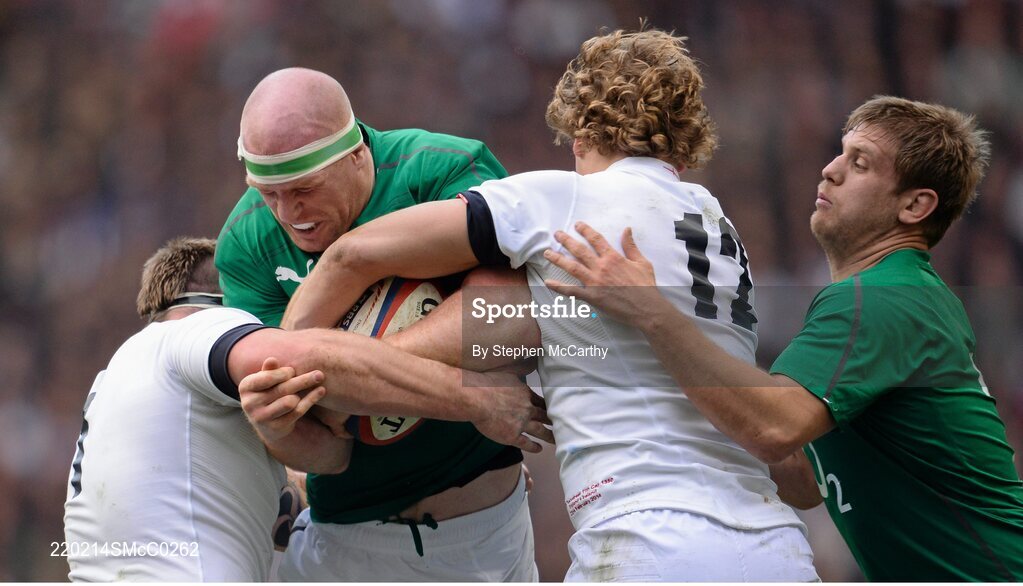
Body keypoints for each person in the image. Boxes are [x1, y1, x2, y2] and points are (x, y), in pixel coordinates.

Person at [283, 29, 820, 582]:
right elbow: (598, 333)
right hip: (775, 545)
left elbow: (353, 254)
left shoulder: (561, 200)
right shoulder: (720, 230)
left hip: (646, 540)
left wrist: (289, 356)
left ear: (581, 129)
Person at [542, 96, 1023, 581]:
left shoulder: (881, 299)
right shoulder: (906, 293)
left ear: (915, 205)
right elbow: (804, 479)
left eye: (860, 163)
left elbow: (773, 431)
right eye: (840, 152)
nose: (830, 170)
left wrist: (653, 313)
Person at [63, 238, 549, 582]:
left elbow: (259, 504)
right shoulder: (193, 333)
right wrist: (476, 402)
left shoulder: (121, 381)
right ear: (225, 300)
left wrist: (433, 466)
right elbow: (313, 360)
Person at [217, 67, 540, 581]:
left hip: (485, 533)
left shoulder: (441, 169)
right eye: (267, 192)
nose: (286, 212)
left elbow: (512, 319)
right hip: (344, 541)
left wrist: (347, 375)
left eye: (303, 188)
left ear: (356, 154)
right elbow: (325, 449)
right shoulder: (244, 241)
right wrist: (277, 428)